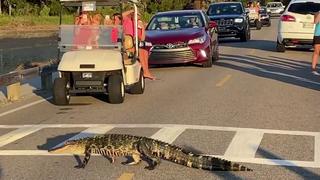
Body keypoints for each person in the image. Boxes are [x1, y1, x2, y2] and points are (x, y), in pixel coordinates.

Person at [122, 9, 156, 80]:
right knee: (140, 51)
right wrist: (132, 10)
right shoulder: (128, 21)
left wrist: (142, 28)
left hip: (135, 43)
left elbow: (142, 38)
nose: (137, 17)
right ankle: (146, 72)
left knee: (145, 52)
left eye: (138, 15)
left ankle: (146, 72)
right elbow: (123, 15)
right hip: (128, 42)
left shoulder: (138, 24)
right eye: (136, 15)